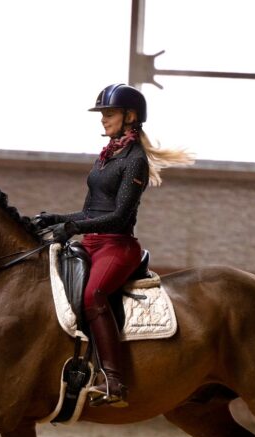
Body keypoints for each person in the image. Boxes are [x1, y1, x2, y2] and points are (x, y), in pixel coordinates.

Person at [34, 83, 193, 405]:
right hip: (91, 242)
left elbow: (119, 217)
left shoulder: (135, 160)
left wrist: (73, 226)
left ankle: (114, 382)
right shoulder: (107, 156)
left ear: (130, 116)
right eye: (103, 114)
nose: (103, 119)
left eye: (109, 113)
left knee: (94, 296)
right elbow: (92, 211)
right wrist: (55, 218)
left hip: (117, 246)